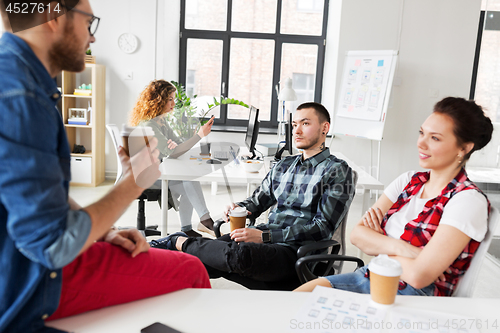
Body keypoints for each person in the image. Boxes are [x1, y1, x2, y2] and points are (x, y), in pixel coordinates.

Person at [0, 2, 210, 332]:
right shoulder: (21, 96)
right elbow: (52, 246)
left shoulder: (23, 82)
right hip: (26, 281)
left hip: (20, 259)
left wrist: (103, 230)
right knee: (191, 270)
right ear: (54, 17)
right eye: (89, 23)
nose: (93, 38)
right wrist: (132, 184)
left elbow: (38, 196)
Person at [295, 97, 493, 297]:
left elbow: (418, 276)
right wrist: (407, 250)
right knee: (298, 296)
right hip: (370, 276)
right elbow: (357, 235)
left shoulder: (467, 200)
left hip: (411, 295)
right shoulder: (408, 181)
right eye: (421, 133)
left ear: (464, 148)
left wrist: (379, 243)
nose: (421, 144)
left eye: (435, 138)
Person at [150, 102, 355, 285]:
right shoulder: (284, 165)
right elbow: (257, 201)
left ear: (324, 128)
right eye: (294, 125)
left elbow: (322, 228)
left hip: (297, 252)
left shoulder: (337, 170)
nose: (297, 131)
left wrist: (265, 236)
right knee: (196, 262)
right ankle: (147, 263)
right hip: (264, 241)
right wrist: (240, 208)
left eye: (305, 123)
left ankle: (176, 241)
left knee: (237, 255)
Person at [129, 80, 216, 237]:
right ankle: (204, 220)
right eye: (170, 99)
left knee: (190, 182)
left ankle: (189, 227)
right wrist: (199, 136)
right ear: (158, 100)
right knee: (189, 181)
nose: (173, 103)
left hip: (157, 170)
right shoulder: (149, 125)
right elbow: (174, 151)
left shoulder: (160, 122)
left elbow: (177, 147)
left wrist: (180, 145)